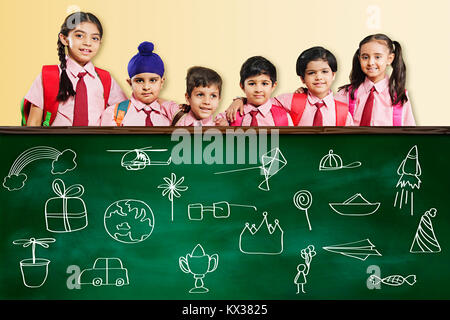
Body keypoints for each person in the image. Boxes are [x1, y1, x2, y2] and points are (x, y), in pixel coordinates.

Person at [24, 12, 126, 126]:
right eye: (79, 36)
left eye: (95, 38)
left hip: (94, 143)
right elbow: (34, 122)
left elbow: (124, 111)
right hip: (55, 143)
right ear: (64, 39)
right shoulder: (48, 76)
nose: (88, 43)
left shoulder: (105, 78)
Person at [226, 48, 352, 126]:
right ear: (302, 78)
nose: (318, 77)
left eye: (324, 72)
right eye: (311, 73)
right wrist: (240, 100)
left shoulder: (342, 110)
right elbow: (260, 100)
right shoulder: (291, 100)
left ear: (333, 74)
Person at [335, 34, 415, 126]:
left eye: (377, 57)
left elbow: (410, 131)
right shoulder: (346, 94)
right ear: (359, 58)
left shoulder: (400, 96)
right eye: (365, 57)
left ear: (390, 59)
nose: (370, 63)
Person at [101, 41, 172, 126]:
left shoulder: (170, 112)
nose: (146, 87)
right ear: (130, 83)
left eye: (153, 80)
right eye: (139, 81)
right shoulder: (114, 113)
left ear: (161, 82)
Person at [219, 56, 293, 126]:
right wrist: (221, 126)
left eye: (264, 83)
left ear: (273, 86)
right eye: (252, 84)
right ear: (242, 86)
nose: (258, 90)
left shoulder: (283, 117)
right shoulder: (231, 114)